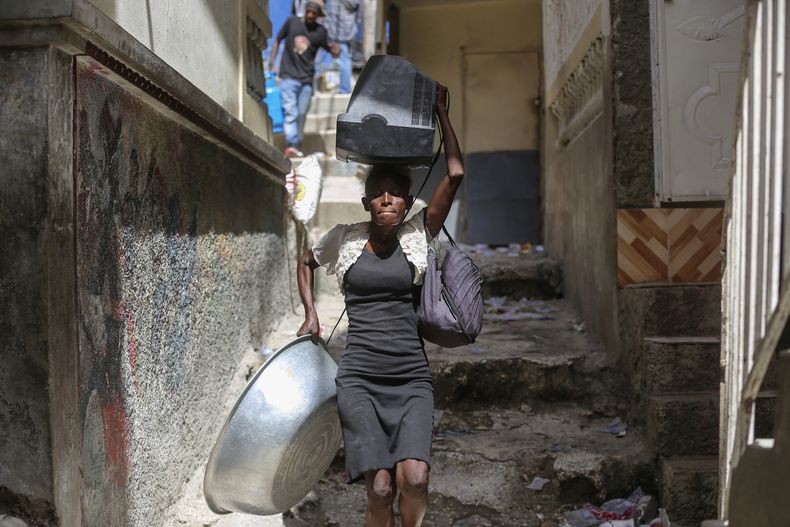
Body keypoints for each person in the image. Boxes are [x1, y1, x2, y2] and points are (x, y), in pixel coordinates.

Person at [296, 84, 462, 527]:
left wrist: (443, 114)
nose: (388, 199)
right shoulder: (345, 238)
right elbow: (305, 262)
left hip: (410, 379)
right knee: (381, 487)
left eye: (396, 193)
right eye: (379, 193)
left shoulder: (416, 234)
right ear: (366, 200)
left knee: (416, 480)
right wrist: (311, 314)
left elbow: (457, 173)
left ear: (408, 200)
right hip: (360, 380)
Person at [269, 1, 339, 157]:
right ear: (305, 11)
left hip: (307, 79)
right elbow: (277, 40)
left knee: (301, 114)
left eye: (314, 13)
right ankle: (292, 144)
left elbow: (332, 51)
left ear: (318, 15)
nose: (310, 15)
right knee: (291, 112)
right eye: (309, 12)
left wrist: (336, 51)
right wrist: (271, 62)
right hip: (288, 76)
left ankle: (297, 145)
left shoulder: (320, 32)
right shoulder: (292, 22)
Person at [320, 0, 361, 94]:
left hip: (342, 33)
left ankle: (343, 89)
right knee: (334, 61)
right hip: (334, 32)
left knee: (343, 61)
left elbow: (355, 6)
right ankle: (332, 87)